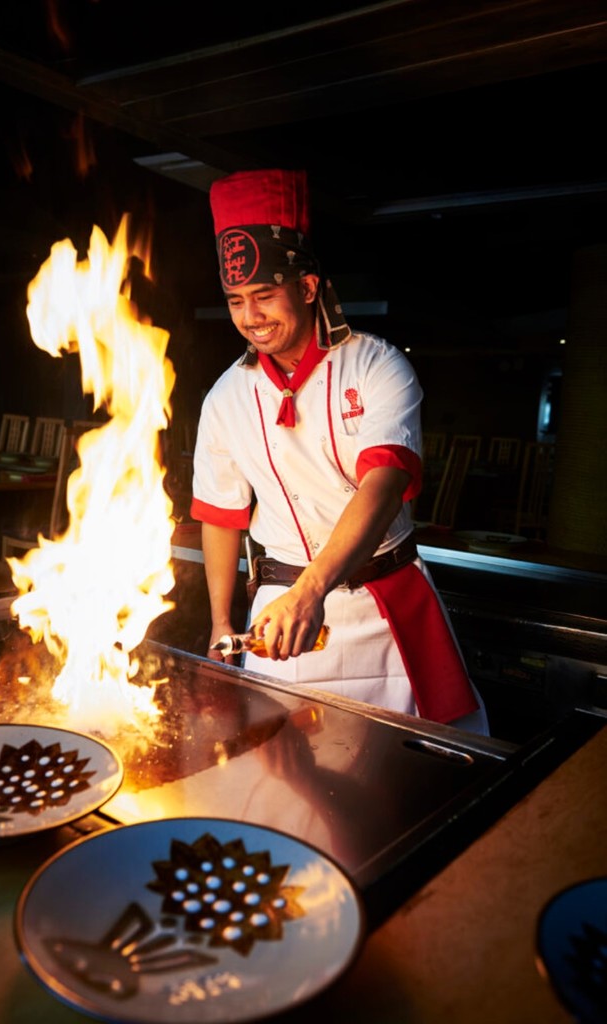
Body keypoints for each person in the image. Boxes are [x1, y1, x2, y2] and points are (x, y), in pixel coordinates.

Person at [190, 168, 489, 735]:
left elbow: (385, 481)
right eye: (236, 301)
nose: (251, 318)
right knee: (275, 765)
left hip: (386, 608)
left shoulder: (377, 364)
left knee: (420, 766)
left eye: (265, 296)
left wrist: (312, 589)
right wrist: (221, 622)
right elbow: (221, 515)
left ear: (307, 288)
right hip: (281, 617)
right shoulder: (226, 396)